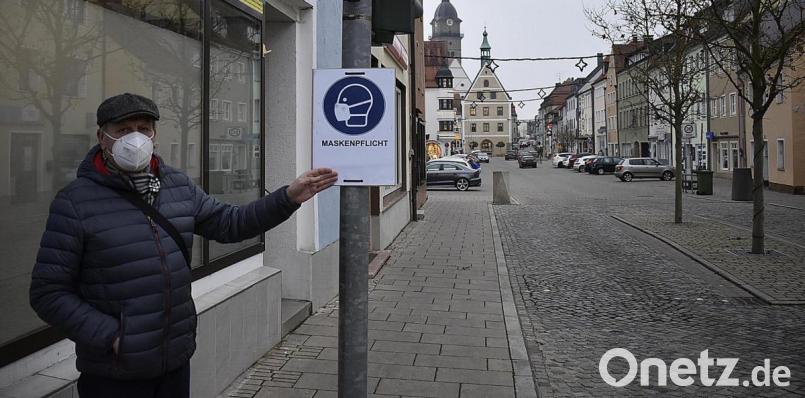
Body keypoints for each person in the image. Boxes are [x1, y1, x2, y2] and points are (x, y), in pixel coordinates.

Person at [28, 93, 338, 398]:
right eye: (123, 130)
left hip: (174, 360)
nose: (135, 138)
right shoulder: (76, 202)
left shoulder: (176, 185)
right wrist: (112, 337)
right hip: (113, 373)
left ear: (154, 135)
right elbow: (48, 293)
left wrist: (287, 198)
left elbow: (231, 223)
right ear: (103, 137)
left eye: (144, 129)